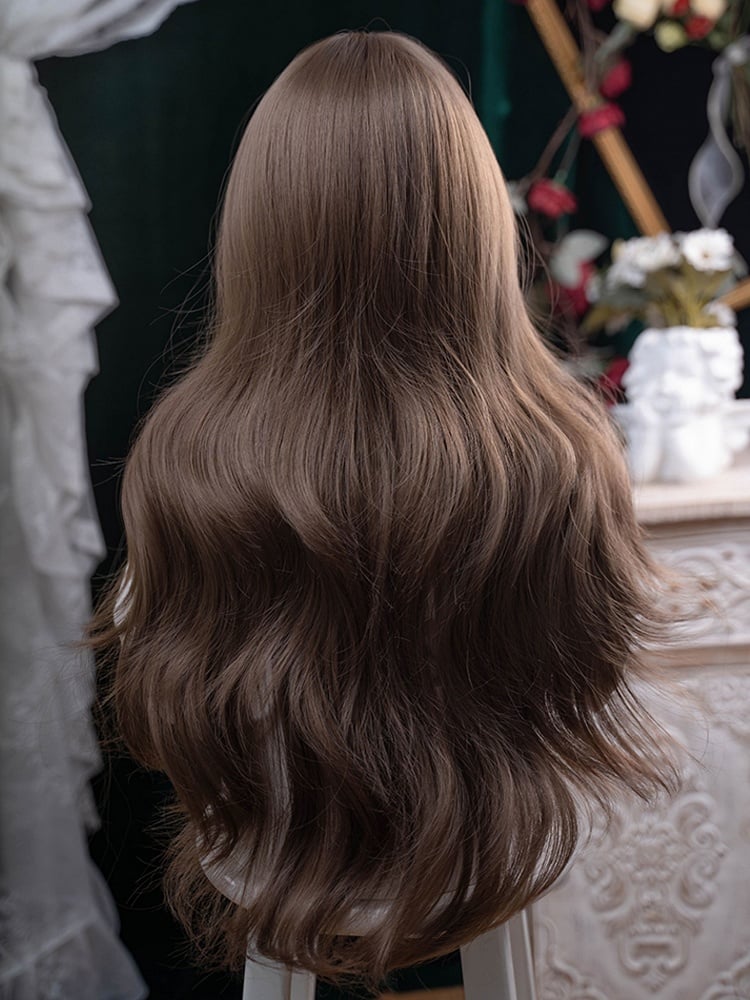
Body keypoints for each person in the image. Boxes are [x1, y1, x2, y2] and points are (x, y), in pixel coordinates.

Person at [79, 29, 678, 992]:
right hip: (494, 843)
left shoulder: (186, 451)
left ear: (263, 223)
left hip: (270, 844)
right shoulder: (561, 448)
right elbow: (598, 659)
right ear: (472, 220)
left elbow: (154, 651)